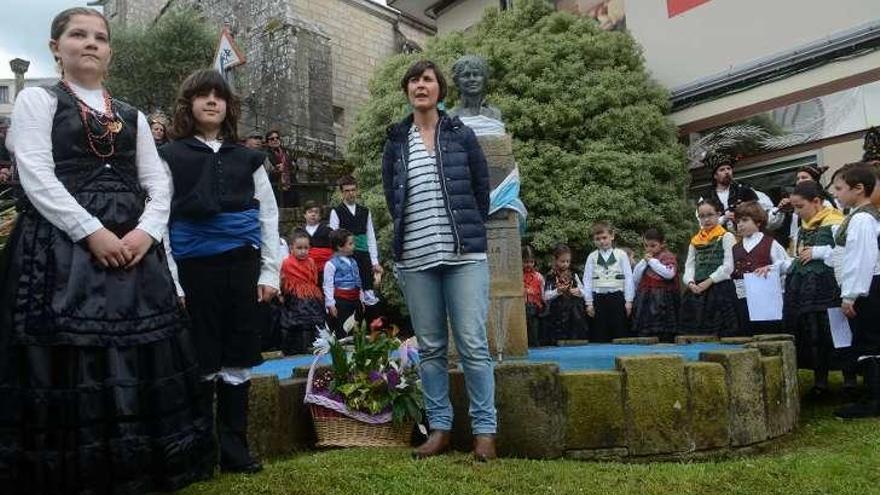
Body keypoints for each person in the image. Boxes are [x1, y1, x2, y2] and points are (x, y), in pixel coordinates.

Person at [0, 8, 212, 492]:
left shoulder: (131, 115)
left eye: (100, 36)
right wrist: (91, 231)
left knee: (138, 349)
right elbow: (35, 173)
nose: (91, 43)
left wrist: (147, 233)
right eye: (78, 35)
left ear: (111, 51)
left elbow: (159, 184)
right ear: (56, 47)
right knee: (71, 354)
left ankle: (139, 467)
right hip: (58, 254)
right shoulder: (38, 101)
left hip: (135, 255)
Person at [160, 69, 280, 473]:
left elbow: (268, 216)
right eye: (203, 95)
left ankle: (234, 449)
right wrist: (173, 278)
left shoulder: (248, 158)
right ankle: (198, 451)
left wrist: (269, 274)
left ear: (228, 106)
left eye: (219, 95)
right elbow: (161, 218)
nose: (212, 101)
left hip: (242, 267)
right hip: (194, 267)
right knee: (201, 353)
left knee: (238, 352)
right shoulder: (171, 156)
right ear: (189, 104)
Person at [381, 60, 497, 461]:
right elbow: (393, 197)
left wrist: (465, 232)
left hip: (464, 256)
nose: (420, 85)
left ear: (439, 90)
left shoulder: (461, 135)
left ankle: (485, 433)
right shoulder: (396, 140)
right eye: (413, 80)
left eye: (427, 79)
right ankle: (440, 429)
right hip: (415, 259)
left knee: (472, 344)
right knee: (430, 348)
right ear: (407, 90)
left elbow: (481, 191)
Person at [782, 180, 855, 399]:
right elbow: (796, 255)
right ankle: (820, 381)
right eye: (794, 207)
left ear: (816, 202)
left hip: (828, 289)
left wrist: (818, 252)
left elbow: (844, 254)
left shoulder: (835, 222)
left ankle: (849, 380)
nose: (797, 211)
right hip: (805, 290)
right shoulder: (803, 227)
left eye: (800, 206)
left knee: (838, 333)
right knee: (813, 334)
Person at [829, 163, 880, 419]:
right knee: (869, 339)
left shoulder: (861, 218)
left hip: (868, 288)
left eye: (839, 188)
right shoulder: (863, 216)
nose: (836, 194)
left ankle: (874, 399)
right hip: (869, 286)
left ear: (858, 189)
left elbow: (861, 259)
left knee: (869, 341)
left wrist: (850, 295)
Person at [680, 198, 739, 336]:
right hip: (697, 290)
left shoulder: (726, 236)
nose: (706, 219)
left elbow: (728, 266)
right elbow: (689, 266)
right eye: (702, 216)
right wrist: (690, 282)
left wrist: (709, 281)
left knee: (720, 329)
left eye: (710, 215)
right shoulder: (695, 241)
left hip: (719, 288)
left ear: (718, 214)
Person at [730, 201, 788, 335]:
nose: (740, 224)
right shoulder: (735, 248)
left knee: (769, 333)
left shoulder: (770, 243)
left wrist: (772, 270)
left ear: (758, 222)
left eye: (745, 220)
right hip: (743, 301)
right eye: (738, 221)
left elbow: (785, 266)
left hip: (767, 301)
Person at [329, 175, 382, 300]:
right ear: (341, 193)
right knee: (350, 293)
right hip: (345, 259)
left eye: (353, 190)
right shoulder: (336, 212)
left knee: (368, 290)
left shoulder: (365, 211)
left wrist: (374, 261)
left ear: (357, 190)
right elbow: (333, 239)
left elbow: (370, 236)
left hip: (364, 257)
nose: (351, 193)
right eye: (347, 191)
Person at [583, 222, 634, 342]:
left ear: (612, 236)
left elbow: (628, 278)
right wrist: (589, 303)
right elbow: (587, 280)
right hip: (598, 299)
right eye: (598, 239)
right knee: (600, 333)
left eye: (604, 237)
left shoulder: (621, 255)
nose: (602, 241)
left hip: (617, 297)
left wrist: (629, 301)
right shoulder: (592, 257)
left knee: (619, 332)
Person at [279, 228, 324, 355]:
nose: (303, 251)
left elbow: (314, 278)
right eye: (299, 248)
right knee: (298, 325)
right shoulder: (287, 263)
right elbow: (282, 280)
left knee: (315, 322)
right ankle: (297, 351)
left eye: (306, 248)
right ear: (291, 248)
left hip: (312, 298)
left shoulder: (311, 262)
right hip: (295, 298)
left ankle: (315, 350)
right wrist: (282, 294)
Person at [631, 228, 679, 342]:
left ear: (662, 244)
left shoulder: (667, 256)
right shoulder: (645, 260)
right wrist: (644, 262)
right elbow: (635, 278)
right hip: (645, 299)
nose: (649, 249)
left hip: (663, 300)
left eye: (653, 246)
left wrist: (652, 261)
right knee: (645, 329)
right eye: (646, 246)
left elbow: (669, 273)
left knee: (662, 331)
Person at [697, 153, 761, 231]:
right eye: (722, 170)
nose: (727, 172)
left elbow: (759, 214)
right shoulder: (706, 197)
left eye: (729, 168)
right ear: (715, 176)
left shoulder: (744, 190)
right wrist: (724, 219)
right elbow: (702, 225)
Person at [323, 228, 363, 338]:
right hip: (342, 301)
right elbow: (328, 284)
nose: (353, 246)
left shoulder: (353, 261)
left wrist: (361, 298)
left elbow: (358, 281)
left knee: (356, 326)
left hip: (355, 299)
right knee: (343, 327)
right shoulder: (331, 264)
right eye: (350, 244)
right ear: (340, 247)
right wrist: (330, 304)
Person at [543, 243, 587, 344]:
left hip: (573, 313)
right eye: (562, 261)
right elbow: (545, 296)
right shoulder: (551, 276)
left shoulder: (574, 274)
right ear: (555, 260)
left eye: (568, 261)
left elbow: (584, 292)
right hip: (557, 312)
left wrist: (579, 292)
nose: (565, 264)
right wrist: (557, 291)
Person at [266, 129, 297, 207]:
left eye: (277, 138)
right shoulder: (266, 154)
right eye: (272, 139)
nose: (275, 140)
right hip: (276, 185)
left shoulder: (286, 152)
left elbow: (294, 165)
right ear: (268, 142)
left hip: (290, 183)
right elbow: (267, 170)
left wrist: (290, 165)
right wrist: (276, 169)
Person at [302, 200, 333, 276]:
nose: (313, 214)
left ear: (320, 216)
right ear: (304, 215)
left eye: (316, 212)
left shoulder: (328, 231)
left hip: (324, 269)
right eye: (310, 212)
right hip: (304, 269)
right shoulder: (299, 232)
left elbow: (333, 250)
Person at [522, 245, 545, 347]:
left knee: (534, 326)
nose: (529, 264)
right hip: (522, 308)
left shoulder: (538, 276)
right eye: (526, 262)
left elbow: (543, 294)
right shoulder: (518, 276)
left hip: (535, 308)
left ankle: (535, 343)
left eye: (531, 262)